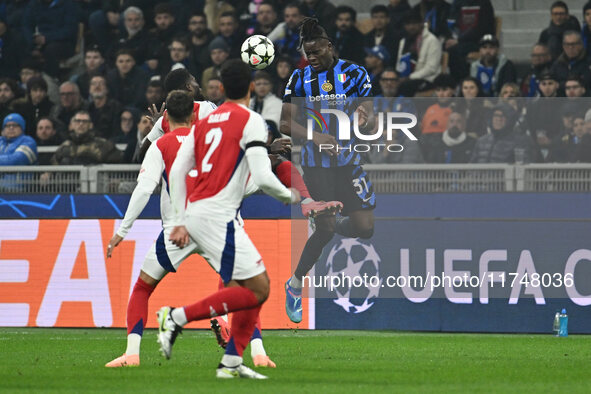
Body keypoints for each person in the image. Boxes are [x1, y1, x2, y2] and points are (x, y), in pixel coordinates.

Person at [105, 89, 280, 369]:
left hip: (178, 231)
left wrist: (122, 231)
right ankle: (259, 354)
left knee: (142, 288)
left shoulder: (161, 146)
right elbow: (249, 184)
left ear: (165, 117)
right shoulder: (216, 145)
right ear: (193, 113)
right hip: (217, 228)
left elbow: (143, 189)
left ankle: (132, 354)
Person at [158, 60, 300, 379]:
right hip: (218, 216)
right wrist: (289, 196)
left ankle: (231, 363)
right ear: (251, 88)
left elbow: (178, 169)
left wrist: (180, 218)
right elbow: (263, 176)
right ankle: (176, 317)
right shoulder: (250, 120)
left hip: (199, 213)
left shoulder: (204, 122)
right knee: (257, 288)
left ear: (220, 89)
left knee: (255, 287)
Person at [281, 18, 376, 324]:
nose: (312, 57)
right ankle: (295, 284)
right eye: (307, 53)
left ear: (329, 46)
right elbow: (285, 124)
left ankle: (329, 226)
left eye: (317, 51)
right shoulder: (298, 78)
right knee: (325, 228)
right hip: (315, 165)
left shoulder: (355, 73)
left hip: (349, 163)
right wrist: (315, 136)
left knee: (365, 229)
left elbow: (370, 114)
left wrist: (366, 118)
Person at [22, 0, 78, 77]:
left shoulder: (68, 4)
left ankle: (51, 80)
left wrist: (47, 38)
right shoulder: (34, 4)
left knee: (50, 50)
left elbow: (70, 30)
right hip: (39, 42)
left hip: (63, 42)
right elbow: (26, 26)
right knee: (20, 45)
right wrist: (32, 43)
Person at [445, 0, 496, 80]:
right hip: (461, 40)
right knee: (443, 47)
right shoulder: (458, 3)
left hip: (479, 41)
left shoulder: (484, 3)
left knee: (455, 51)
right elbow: (452, 22)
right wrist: (451, 38)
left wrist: (459, 40)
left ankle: (463, 81)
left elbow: (481, 28)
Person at [49, 110, 122, 165]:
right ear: (72, 125)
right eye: (78, 121)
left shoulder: (103, 144)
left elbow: (118, 162)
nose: (81, 124)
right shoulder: (65, 146)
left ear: (91, 125)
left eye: (84, 121)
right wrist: (48, 174)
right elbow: (53, 165)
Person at [471, 103, 536, 164]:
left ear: (510, 119)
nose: (499, 119)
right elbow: (471, 167)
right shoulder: (481, 141)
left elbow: (523, 168)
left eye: (503, 116)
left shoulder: (521, 141)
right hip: (479, 175)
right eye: (496, 115)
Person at [396, 11, 442, 95]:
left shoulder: (432, 40)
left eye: (414, 23)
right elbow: (399, 64)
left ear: (421, 23)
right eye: (408, 24)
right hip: (406, 77)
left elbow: (431, 69)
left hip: (428, 79)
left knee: (405, 86)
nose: (411, 27)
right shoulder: (403, 41)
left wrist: (409, 77)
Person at [88, 75, 122, 141]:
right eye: (94, 84)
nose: (97, 86)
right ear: (89, 90)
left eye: (101, 83)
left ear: (107, 89)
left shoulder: (116, 107)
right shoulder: (87, 108)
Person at [249, 71, 282, 138]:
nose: (262, 87)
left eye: (265, 83)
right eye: (258, 84)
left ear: (271, 86)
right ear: (253, 86)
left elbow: (271, 124)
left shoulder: (277, 102)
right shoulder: (249, 103)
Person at [187, 12, 214, 82]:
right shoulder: (185, 44)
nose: (197, 26)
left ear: (206, 25)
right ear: (189, 26)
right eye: (194, 23)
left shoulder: (213, 44)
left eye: (201, 23)